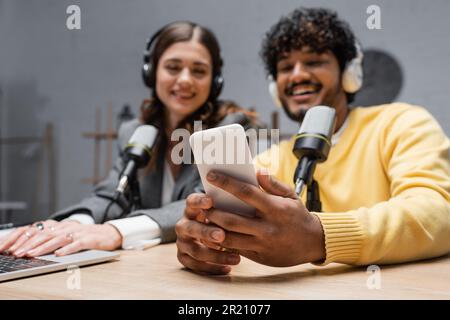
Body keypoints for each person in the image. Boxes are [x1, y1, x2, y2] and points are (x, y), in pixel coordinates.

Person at [175, 8, 450, 275]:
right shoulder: (274, 158)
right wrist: (207, 234)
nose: (297, 75)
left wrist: (319, 237)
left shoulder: (402, 123)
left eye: (314, 61)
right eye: (285, 67)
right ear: (275, 87)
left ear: (348, 74)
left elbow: (436, 214)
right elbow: (235, 224)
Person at [0, 21, 257, 258]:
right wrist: (75, 224)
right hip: (144, 266)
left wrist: (117, 230)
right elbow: (113, 193)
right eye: (173, 67)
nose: (185, 80)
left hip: (202, 265)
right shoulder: (135, 131)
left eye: (199, 71)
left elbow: (210, 206)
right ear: (152, 72)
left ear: (215, 82)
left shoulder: (231, 128)